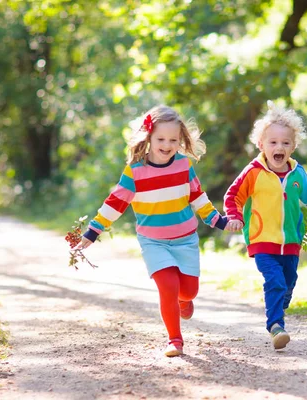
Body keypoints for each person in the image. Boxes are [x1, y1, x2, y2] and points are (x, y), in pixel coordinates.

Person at [76, 105, 227, 357]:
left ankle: (184, 300)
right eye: (161, 139)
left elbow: (198, 197)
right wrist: (93, 232)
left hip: (185, 239)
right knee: (167, 286)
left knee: (189, 290)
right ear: (148, 138)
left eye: (173, 140)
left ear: (180, 141)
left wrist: (217, 220)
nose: (167, 145)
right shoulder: (135, 171)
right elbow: (116, 203)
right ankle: (174, 339)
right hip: (153, 241)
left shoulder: (183, 165)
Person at [223, 100, 307, 350]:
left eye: (285, 143)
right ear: (261, 145)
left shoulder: (297, 173)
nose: (279, 147)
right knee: (274, 280)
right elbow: (233, 196)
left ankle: (282, 299)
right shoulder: (253, 172)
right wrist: (234, 216)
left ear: (293, 146)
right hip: (262, 240)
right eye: (273, 142)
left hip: (291, 241)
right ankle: (276, 326)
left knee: (289, 280)